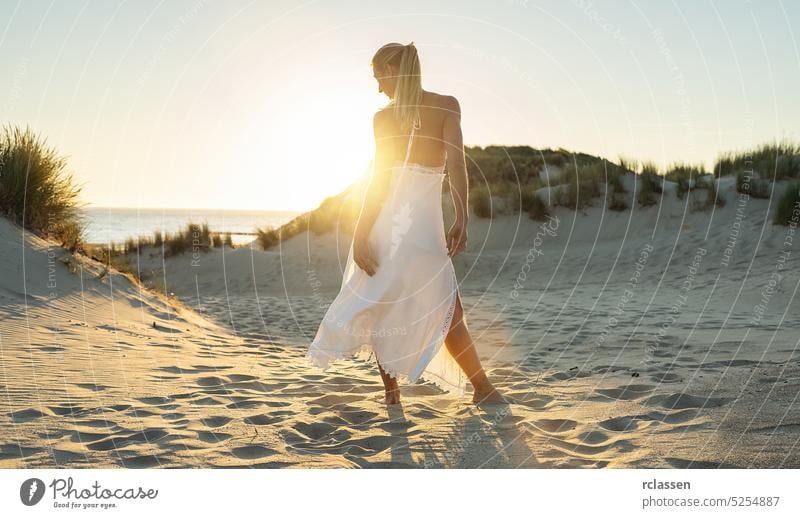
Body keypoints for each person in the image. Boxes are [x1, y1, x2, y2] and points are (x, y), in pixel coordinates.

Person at [307, 42, 503, 406]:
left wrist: (364, 230)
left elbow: (378, 182)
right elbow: (455, 168)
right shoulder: (446, 106)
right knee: (445, 308)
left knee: (392, 304)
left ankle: (395, 393)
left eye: (379, 76)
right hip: (416, 229)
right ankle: (481, 389)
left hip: (394, 227)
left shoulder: (390, 118)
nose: (378, 87)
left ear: (393, 70)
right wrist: (461, 215)